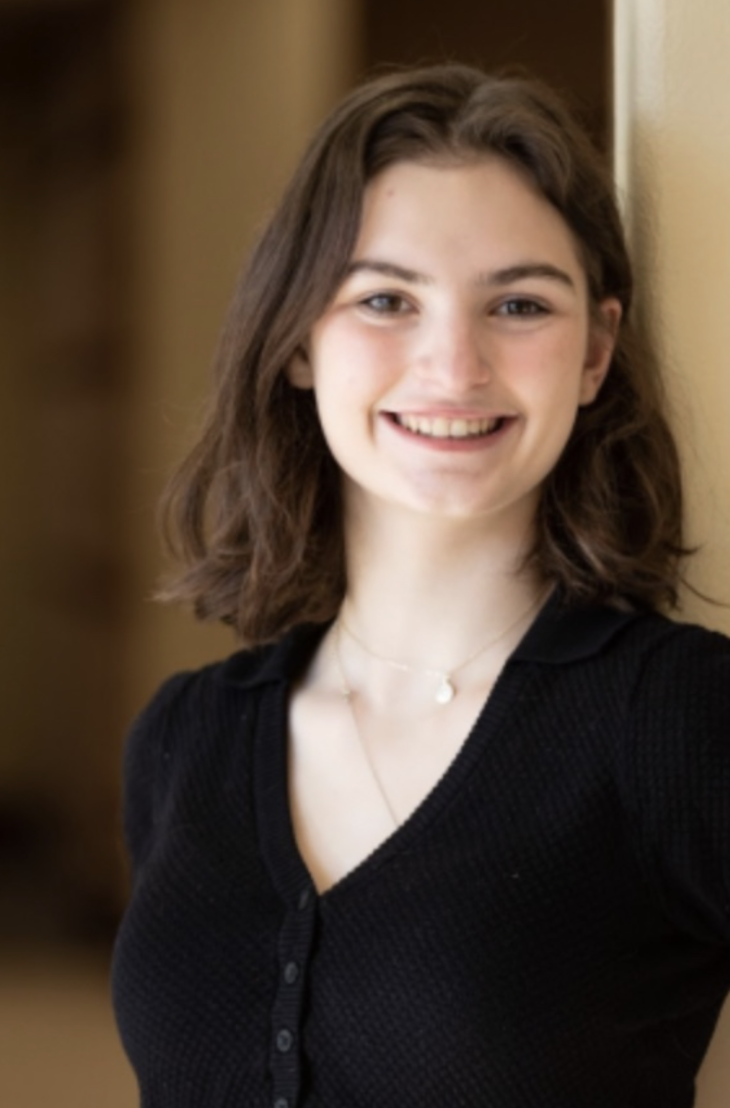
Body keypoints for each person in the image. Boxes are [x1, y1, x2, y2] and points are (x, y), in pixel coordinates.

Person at [112, 63, 730, 1108]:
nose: (454, 365)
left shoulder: (676, 717)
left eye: (520, 303)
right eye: (386, 299)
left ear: (595, 350)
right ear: (298, 340)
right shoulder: (184, 739)